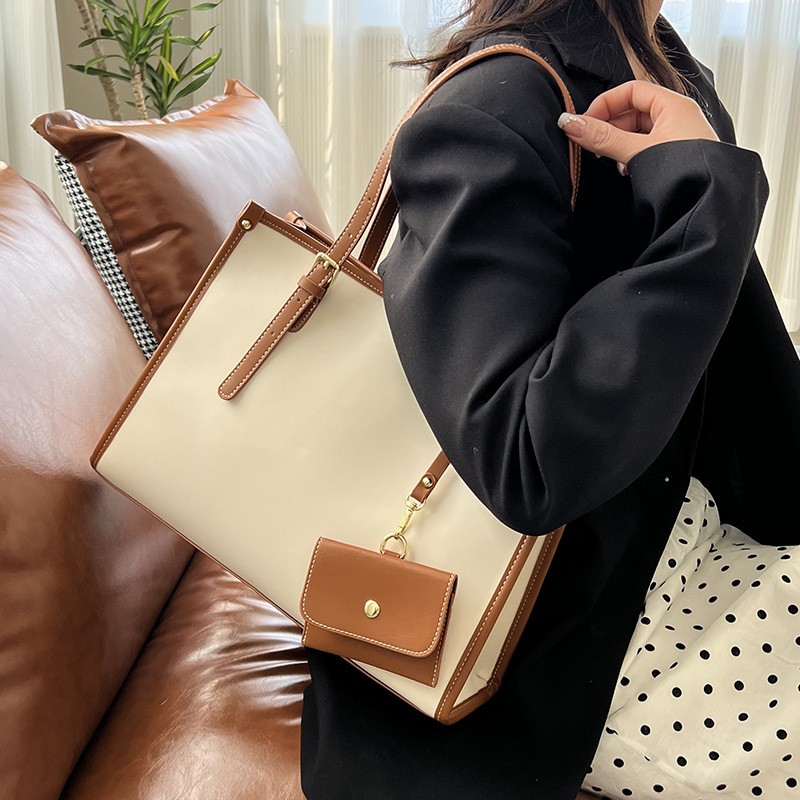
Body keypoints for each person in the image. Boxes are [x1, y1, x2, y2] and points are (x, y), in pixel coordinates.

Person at [300, 1, 800, 798]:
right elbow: (524, 461)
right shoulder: (497, 106)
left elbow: (724, 351)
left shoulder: (664, 62)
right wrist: (705, 200)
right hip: (552, 636)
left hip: (669, 538)